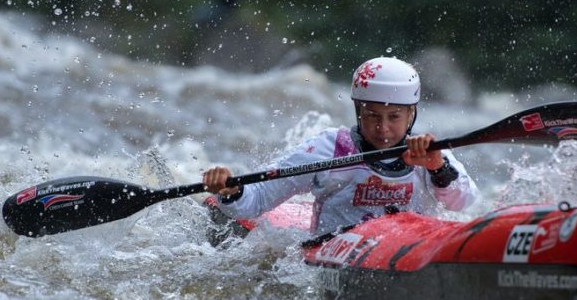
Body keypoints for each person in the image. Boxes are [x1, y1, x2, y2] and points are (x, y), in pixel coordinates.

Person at [202, 56, 479, 235]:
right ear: (358, 112)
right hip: (336, 248)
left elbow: (464, 202)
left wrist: (438, 169)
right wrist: (232, 191)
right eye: (372, 116)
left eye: (394, 117)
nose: (383, 128)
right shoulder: (330, 148)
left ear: (411, 114)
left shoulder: (428, 152)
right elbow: (257, 200)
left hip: (410, 248)